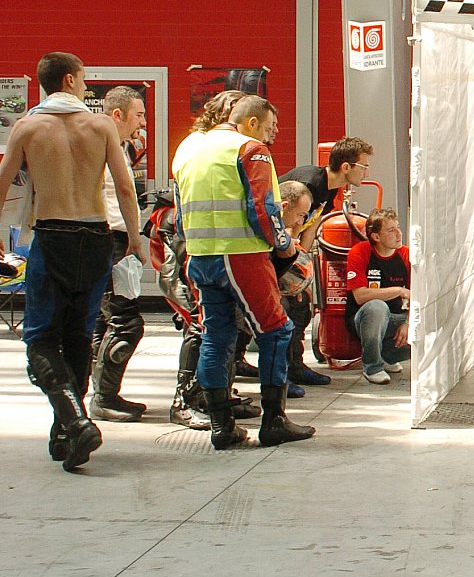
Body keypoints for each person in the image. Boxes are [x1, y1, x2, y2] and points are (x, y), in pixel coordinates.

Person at [0, 52, 143, 471]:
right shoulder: (100, 126)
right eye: (82, 80)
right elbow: (125, 188)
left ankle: (75, 422)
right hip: (96, 236)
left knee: (41, 338)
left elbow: (3, 184)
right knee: (79, 334)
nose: (85, 87)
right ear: (68, 80)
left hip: (53, 235)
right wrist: (134, 238)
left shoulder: (28, 127)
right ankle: (64, 429)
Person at [172, 94, 315, 449]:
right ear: (251, 122)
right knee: (277, 330)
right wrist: (284, 246)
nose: (272, 135)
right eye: (269, 127)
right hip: (242, 255)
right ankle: (274, 420)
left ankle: (222, 426)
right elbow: (263, 209)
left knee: (215, 335)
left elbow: (179, 209)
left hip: (200, 256)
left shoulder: (187, 149)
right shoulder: (251, 150)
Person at [279, 136, 375, 382]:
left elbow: (311, 225)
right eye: (363, 166)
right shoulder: (309, 183)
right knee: (288, 310)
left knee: (300, 307)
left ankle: (293, 366)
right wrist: (288, 269)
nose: (366, 173)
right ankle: (284, 370)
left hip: (287, 253)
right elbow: (289, 223)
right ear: (346, 167)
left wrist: (300, 267)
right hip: (272, 251)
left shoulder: (329, 190)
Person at [89, 86, 150, 422]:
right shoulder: (101, 145)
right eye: (138, 115)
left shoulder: (118, 146)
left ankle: (101, 394)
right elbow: (121, 192)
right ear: (117, 114)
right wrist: (134, 240)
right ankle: (103, 397)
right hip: (111, 239)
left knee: (105, 320)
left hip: (110, 239)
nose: (142, 122)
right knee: (126, 323)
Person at [346, 208, 411, 384]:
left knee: (426, 321)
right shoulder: (360, 252)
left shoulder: (406, 254)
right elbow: (360, 296)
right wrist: (399, 290)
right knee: (377, 307)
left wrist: (408, 322)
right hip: (363, 319)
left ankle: (387, 356)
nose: (399, 234)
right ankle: (372, 366)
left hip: (394, 319)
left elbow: (417, 295)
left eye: (398, 227)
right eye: (391, 230)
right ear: (376, 236)